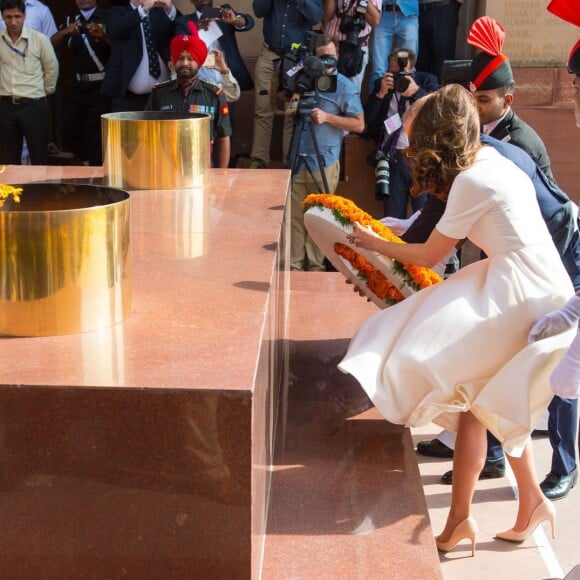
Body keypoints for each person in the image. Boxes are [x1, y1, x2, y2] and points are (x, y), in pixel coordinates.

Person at [341, 84, 575, 552]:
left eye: (414, 137)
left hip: (521, 292)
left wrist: (371, 242)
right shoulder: (490, 164)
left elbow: (429, 255)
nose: (409, 147)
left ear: (436, 137)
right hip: (536, 286)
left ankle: (466, 521)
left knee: (445, 370)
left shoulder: (472, 179)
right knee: (482, 404)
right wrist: (394, 235)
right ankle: (510, 508)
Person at [416, 17, 579, 500]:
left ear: (506, 101)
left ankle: (564, 464)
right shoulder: (474, 140)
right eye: (473, 99)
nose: (476, 108)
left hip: (559, 255)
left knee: (556, 367)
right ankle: (485, 457)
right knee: (500, 361)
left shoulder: (521, 144)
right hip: (518, 262)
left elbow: (541, 220)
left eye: (483, 101)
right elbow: (448, 204)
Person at [289, 35, 364, 271]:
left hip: (325, 160)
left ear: (338, 56)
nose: (326, 64)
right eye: (321, 59)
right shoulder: (303, 79)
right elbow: (286, 109)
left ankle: (315, 265)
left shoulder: (344, 86)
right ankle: (292, 265)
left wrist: (327, 117)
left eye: (331, 58)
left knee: (319, 216)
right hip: (298, 157)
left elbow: (359, 125)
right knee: (294, 217)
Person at [363, 47, 438, 218]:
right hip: (394, 157)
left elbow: (437, 114)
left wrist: (416, 92)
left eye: (403, 72)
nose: (399, 77)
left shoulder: (426, 81)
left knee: (422, 215)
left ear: (412, 69)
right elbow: (366, 127)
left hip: (422, 158)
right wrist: (380, 94)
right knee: (393, 215)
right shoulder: (382, 86)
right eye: (394, 71)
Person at [248, 0, 322, 169]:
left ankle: (289, 162)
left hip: (296, 61)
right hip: (269, 55)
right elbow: (258, 10)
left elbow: (315, 16)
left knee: (292, 112)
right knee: (262, 110)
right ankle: (259, 159)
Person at [145, 29, 233, 168]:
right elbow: (147, 134)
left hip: (202, 170)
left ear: (199, 62)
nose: (185, 63)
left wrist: (223, 174)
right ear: (173, 63)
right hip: (164, 169)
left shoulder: (214, 95)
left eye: (190, 59)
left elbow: (224, 136)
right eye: (180, 58)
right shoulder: (159, 94)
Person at [51, 0, 111, 166]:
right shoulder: (71, 19)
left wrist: (103, 35)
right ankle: (80, 168)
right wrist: (66, 32)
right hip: (78, 86)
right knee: (68, 127)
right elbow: (51, 44)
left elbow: (120, 48)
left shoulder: (107, 17)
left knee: (96, 134)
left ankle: (96, 175)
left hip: (100, 86)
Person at [0, 0, 58, 165]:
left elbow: (51, 68)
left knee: (39, 154)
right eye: (8, 17)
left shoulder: (39, 39)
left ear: (25, 16)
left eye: (17, 16)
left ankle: (40, 191)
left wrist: (45, 92)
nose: (13, 21)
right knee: (8, 156)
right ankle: (11, 191)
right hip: (6, 105)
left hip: (34, 104)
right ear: (2, 17)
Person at [102, 0, 178, 112]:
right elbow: (116, 30)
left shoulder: (159, 12)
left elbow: (179, 28)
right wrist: (142, 10)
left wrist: (169, 8)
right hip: (129, 99)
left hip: (163, 96)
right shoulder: (117, 12)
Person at [175, 0, 254, 102]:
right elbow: (181, 47)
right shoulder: (184, 22)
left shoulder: (223, 14)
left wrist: (236, 21)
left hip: (226, 82)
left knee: (227, 116)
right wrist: (197, 31)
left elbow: (249, 22)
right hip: (199, 84)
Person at [321, 0, 381, 91]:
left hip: (356, 47)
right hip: (331, 46)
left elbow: (375, 21)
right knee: (326, 90)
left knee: (351, 93)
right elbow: (327, 16)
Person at [366, 0, 418, 93]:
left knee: (408, 67)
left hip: (408, 14)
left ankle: (409, 104)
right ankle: (375, 104)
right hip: (383, 14)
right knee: (378, 69)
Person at [415, 0, 463, 81]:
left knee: (443, 61)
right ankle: (422, 92)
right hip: (416, 10)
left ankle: (441, 92)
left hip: (444, 8)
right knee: (419, 61)